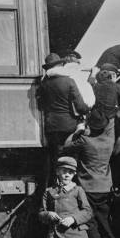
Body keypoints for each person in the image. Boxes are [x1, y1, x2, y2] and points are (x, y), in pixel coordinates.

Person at [64, 111, 118, 238]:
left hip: (88, 188)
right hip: (105, 187)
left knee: (89, 224)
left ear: (90, 125)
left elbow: (66, 146)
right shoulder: (109, 139)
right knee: (105, 223)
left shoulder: (84, 140)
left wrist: (77, 130)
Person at [38, 53, 90, 184]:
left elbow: (41, 105)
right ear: (61, 65)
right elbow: (80, 105)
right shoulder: (69, 81)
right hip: (69, 127)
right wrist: (86, 110)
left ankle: (56, 186)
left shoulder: (44, 83)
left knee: (55, 159)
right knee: (71, 159)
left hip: (51, 127)